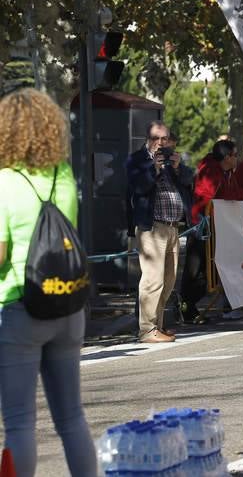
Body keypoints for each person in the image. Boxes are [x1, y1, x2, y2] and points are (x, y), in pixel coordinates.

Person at [0, 88, 97, 476]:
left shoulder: (5, 182)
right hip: (67, 305)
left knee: (21, 422)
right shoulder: (63, 177)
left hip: (20, 307)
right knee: (71, 417)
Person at [126, 120, 193, 343]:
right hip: (152, 226)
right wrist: (153, 168)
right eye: (156, 139)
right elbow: (138, 188)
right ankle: (146, 329)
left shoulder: (172, 159)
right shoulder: (138, 160)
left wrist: (178, 168)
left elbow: (188, 182)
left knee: (168, 281)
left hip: (173, 226)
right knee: (153, 279)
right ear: (148, 139)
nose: (160, 143)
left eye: (164, 139)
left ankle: (158, 326)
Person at [180, 139, 243, 323]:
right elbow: (212, 198)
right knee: (197, 270)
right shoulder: (210, 171)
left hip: (216, 227)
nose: (237, 159)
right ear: (227, 157)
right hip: (201, 228)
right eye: (235, 155)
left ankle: (189, 307)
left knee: (209, 270)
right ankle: (185, 307)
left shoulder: (225, 171)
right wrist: (242, 195)